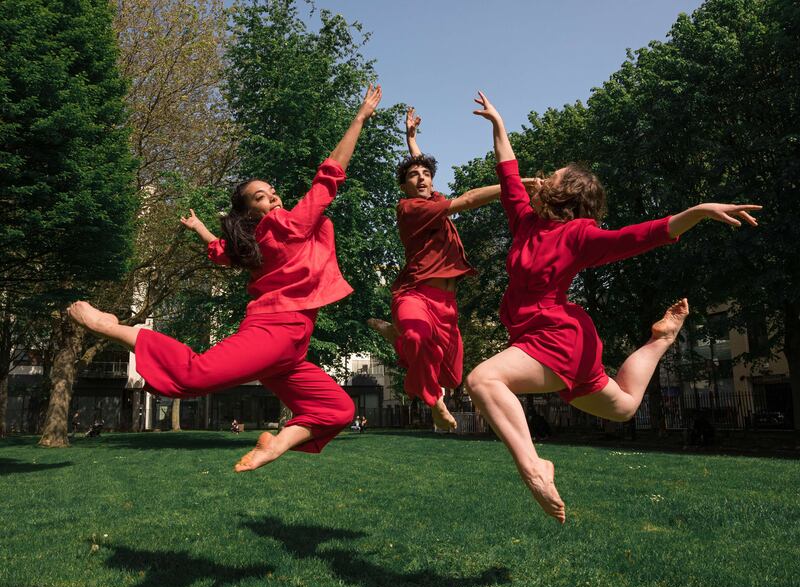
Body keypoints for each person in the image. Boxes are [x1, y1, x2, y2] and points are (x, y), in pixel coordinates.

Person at [467, 91, 760, 523]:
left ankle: (535, 467)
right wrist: (498, 124)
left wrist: (697, 211)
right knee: (623, 407)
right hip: (539, 336)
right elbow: (508, 171)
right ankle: (662, 339)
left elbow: (639, 236)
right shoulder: (525, 221)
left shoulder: (580, 236)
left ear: (568, 192)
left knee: (483, 379)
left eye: (554, 176)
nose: (543, 177)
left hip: (555, 337)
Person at [67, 85, 383, 471]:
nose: (273, 197)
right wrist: (359, 118)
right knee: (193, 376)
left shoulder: (254, 243)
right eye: (261, 196)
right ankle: (111, 327)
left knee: (337, 409)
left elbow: (222, 252)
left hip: (292, 348)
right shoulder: (290, 225)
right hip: (275, 333)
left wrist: (200, 228)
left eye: (271, 192)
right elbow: (330, 173)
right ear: (250, 212)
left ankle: (276, 445)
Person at [368, 106, 539, 432]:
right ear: (403, 187)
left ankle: (396, 337)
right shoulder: (411, 209)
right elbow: (469, 199)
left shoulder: (431, 199)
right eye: (413, 176)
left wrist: (412, 141)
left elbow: (421, 173)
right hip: (415, 295)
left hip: (446, 305)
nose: (422, 178)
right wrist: (516, 184)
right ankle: (434, 401)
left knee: (453, 375)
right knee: (417, 337)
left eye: (426, 174)